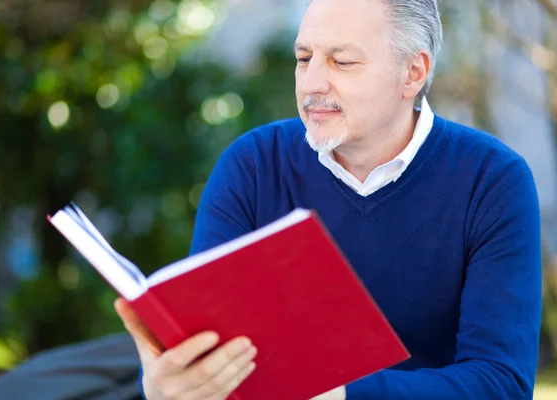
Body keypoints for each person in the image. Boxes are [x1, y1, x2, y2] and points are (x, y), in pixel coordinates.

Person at [115, 0, 542, 398]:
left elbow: (500, 382)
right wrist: (170, 385)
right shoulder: (253, 167)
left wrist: (331, 391)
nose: (312, 83)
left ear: (412, 73)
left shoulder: (492, 181)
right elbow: (207, 344)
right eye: (304, 58)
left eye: (342, 61)